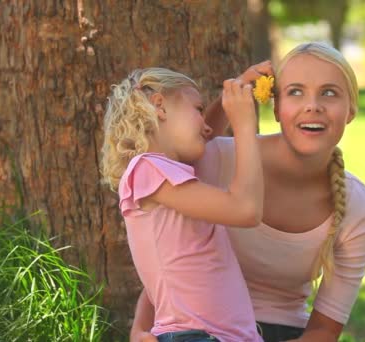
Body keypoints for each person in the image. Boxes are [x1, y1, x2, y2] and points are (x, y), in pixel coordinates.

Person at [130, 42, 365, 342]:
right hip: (199, 331)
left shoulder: (358, 206)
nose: (313, 105)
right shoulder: (219, 159)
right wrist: (140, 330)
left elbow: (325, 330)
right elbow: (169, 246)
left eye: (329, 92)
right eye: (296, 91)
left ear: (351, 110)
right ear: (275, 106)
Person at [100, 67, 265, 342]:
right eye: (198, 110)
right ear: (160, 107)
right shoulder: (147, 169)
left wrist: (233, 92)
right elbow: (246, 210)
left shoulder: (167, 177)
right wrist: (244, 124)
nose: (207, 125)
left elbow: (204, 137)